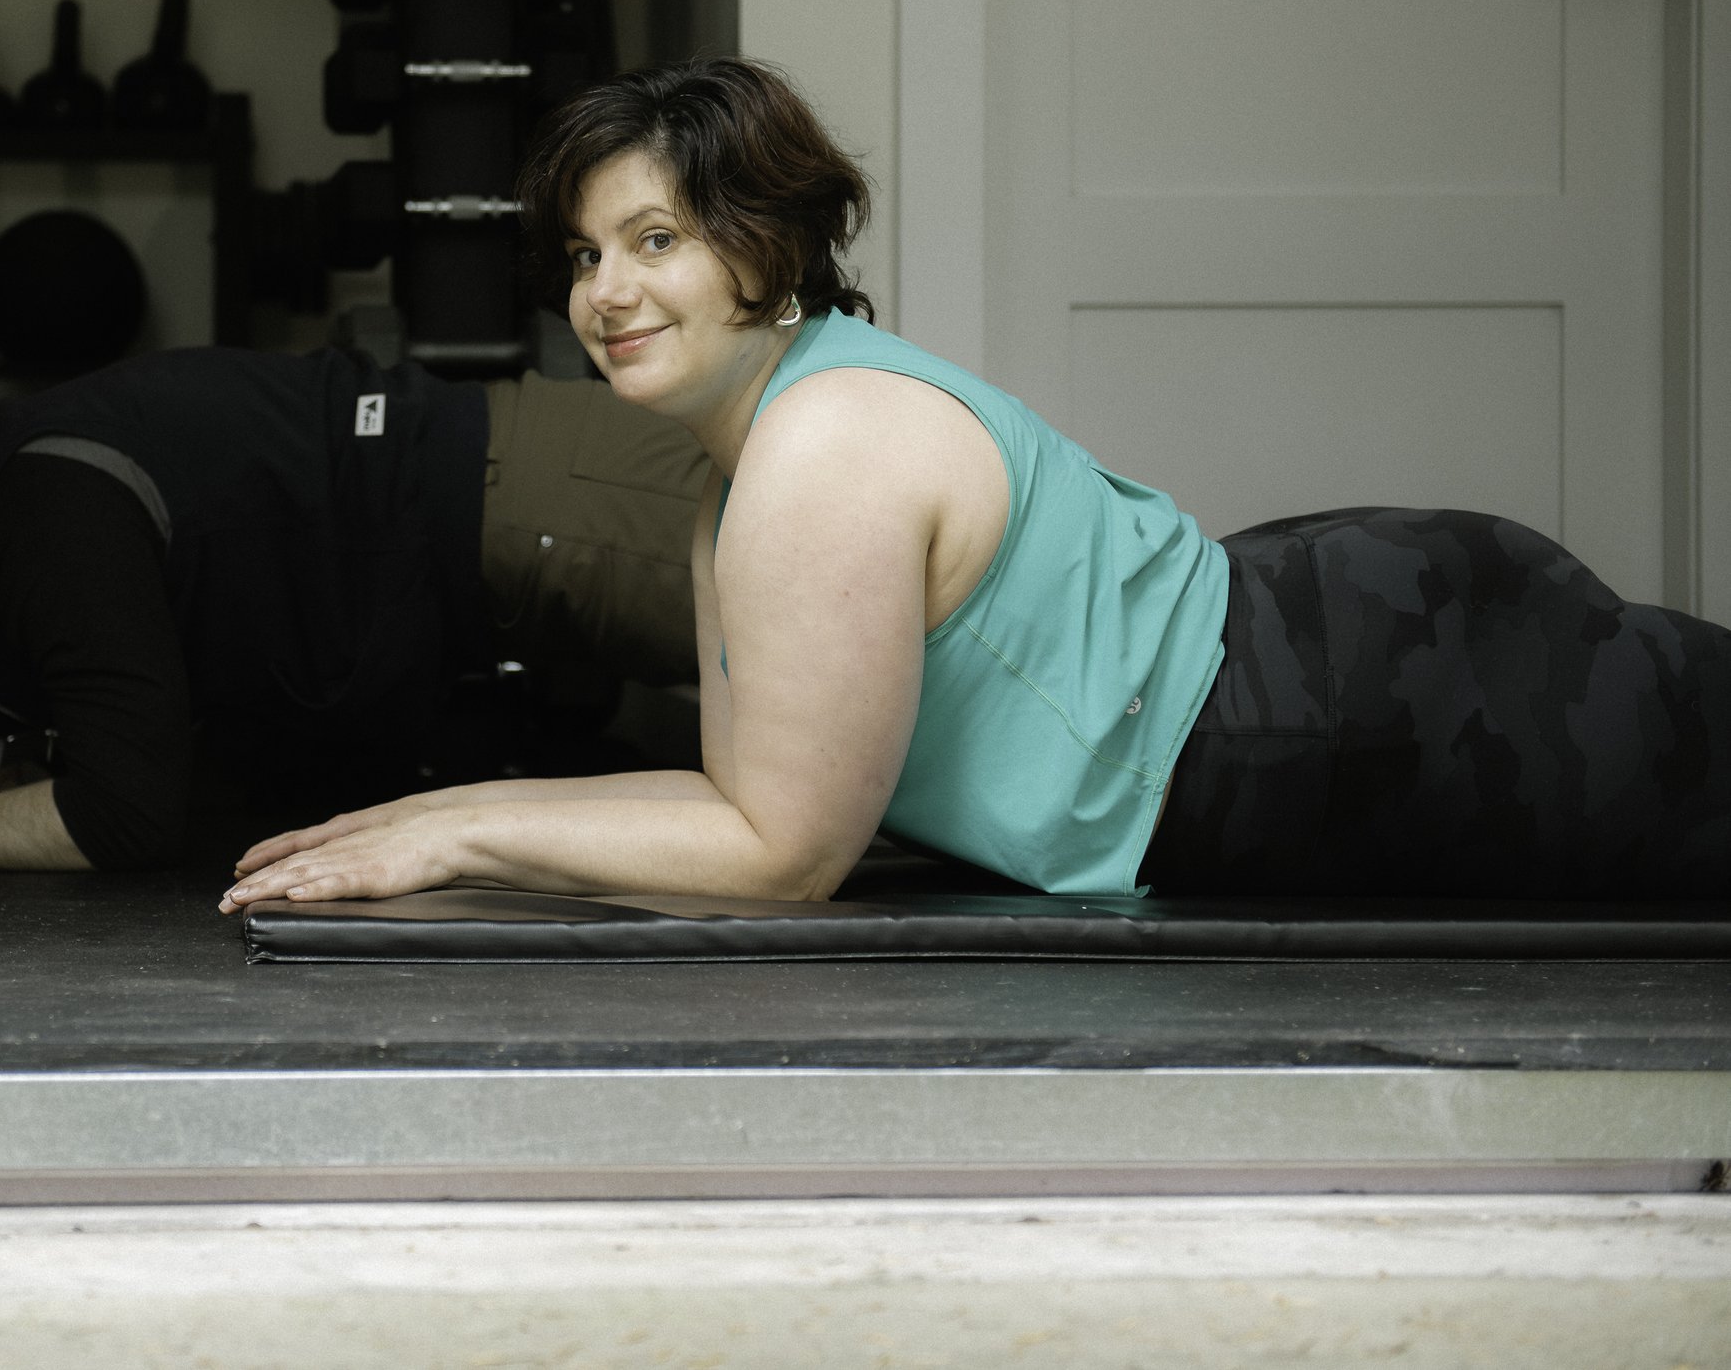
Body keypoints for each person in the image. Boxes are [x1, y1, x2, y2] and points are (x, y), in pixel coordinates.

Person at [221, 58, 1731, 911]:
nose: (602, 292)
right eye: (583, 253)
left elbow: (784, 859)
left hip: (1366, 698)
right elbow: (751, 802)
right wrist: (451, 806)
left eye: (654, 241)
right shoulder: (738, 481)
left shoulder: (821, 448)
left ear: (765, 248)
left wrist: (463, 837)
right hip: (1322, 657)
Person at [0, 345, 706, 872]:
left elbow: (124, 812)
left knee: (812, 725)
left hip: (540, 502)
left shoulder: (39, 503)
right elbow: (120, 751)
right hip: (499, 560)